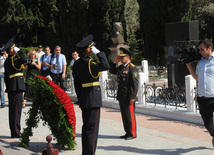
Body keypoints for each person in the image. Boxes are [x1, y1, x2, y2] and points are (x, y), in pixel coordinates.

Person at [72, 35, 109, 155]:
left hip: (84, 99)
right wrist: (100, 53)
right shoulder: (90, 63)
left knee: (86, 128)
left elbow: (77, 84)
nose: (93, 48)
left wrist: (80, 98)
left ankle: (86, 153)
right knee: (92, 130)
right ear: (88, 49)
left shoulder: (77, 63)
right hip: (93, 99)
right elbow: (106, 65)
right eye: (92, 47)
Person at [186, 38, 214, 147]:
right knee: (208, 124)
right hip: (203, 98)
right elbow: (196, 78)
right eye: (199, 50)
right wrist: (188, 65)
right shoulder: (200, 63)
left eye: (202, 49)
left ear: (209, 48)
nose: (200, 52)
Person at [109, 47, 138, 140]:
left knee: (130, 115)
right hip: (121, 95)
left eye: (122, 57)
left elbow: (134, 83)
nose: (120, 59)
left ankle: (132, 133)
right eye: (120, 57)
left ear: (128, 57)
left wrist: (133, 96)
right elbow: (112, 71)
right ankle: (127, 132)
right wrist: (114, 62)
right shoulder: (122, 67)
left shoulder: (132, 68)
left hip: (128, 95)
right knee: (124, 115)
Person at [4, 39, 27, 138]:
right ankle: (16, 132)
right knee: (16, 111)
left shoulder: (7, 61)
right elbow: (24, 59)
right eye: (14, 48)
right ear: (12, 50)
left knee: (13, 110)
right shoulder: (13, 60)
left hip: (12, 87)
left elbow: (6, 77)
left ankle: (14, 131)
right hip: (16, 86)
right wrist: (20, 50)